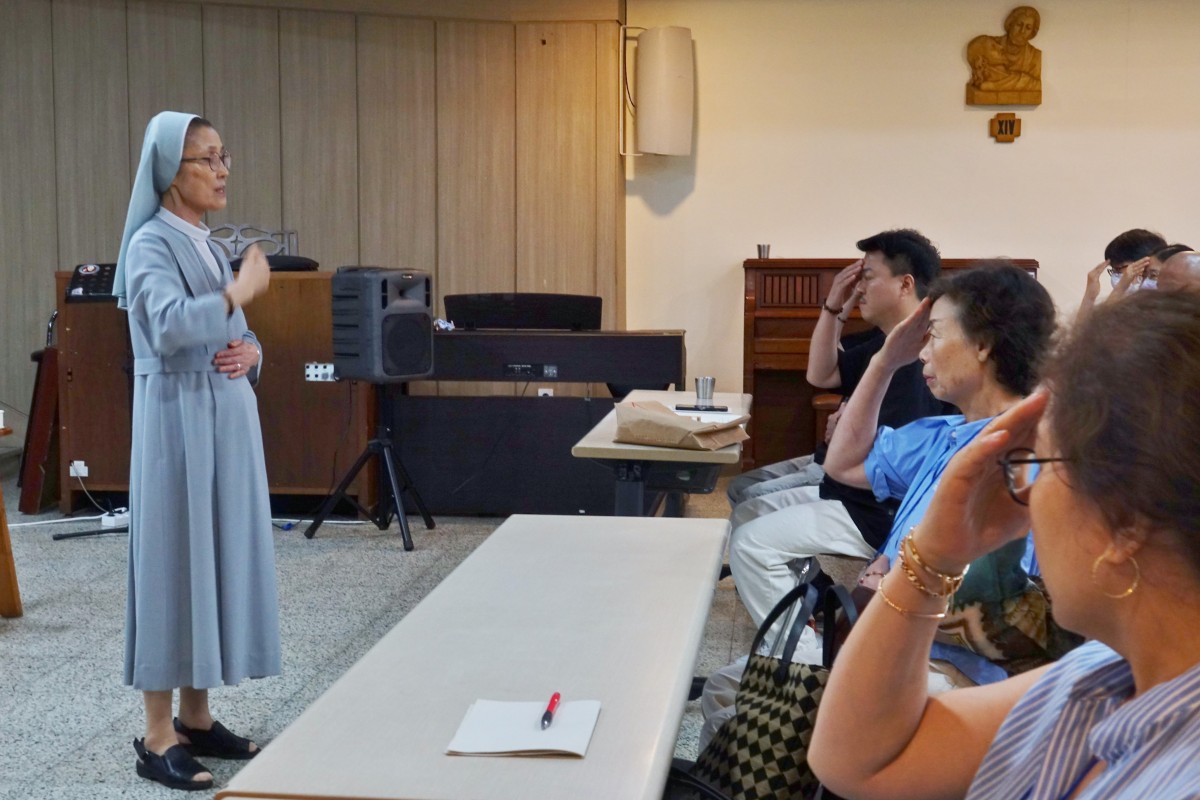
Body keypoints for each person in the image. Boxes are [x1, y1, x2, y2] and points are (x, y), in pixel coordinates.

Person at [810, 290, 1200, 799]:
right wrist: (930, 561)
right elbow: (853, 763)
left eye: (1042, 461)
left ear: (1125, 524)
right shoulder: (1102, 674)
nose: (1029, 493)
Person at [115, 111, 279, 791]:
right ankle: (158, 735)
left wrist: (253, 350)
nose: (221, 170)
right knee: (171, 565)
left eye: (223, 156)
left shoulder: (206, 243)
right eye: (205, 159)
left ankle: (198, 716)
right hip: (177, 426)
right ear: (168, 172)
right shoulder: (150, 244)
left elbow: (235, 332)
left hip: (222, 429)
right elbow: (166, 325)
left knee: (209, 562)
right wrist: (237, 291)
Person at [823, 263, 1062, 684]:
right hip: (894, 647)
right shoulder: (946, 434)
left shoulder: (1023, 460)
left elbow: (1000, 614)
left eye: (933, 335)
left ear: (982, 344)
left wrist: (889, 590)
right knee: (736, 685)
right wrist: (882, 364)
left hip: (952, 678)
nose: (921, 353)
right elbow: (841, 465)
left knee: (745, 694)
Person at [728, 230, 948, 636]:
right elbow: (821, 375)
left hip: (873, 507)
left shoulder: (922, 353)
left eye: (868, 276)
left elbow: (898, 459)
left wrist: (845, 433)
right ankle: (818, 603)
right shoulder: (888, 342)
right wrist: (834, 307)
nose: (860, 287)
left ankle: (808, 657)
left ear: (905, 284)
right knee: (747, 512)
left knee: (750, 539)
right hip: (848, 489)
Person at [1078, 228, 1167, 318]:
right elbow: (1084, 327)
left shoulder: (1161, 305)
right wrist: (1089, 296)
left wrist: (1120, 288)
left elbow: (1104, 322)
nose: (1115, 276)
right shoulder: (1124, 301)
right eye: (1113, 270)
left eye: (1118, 269)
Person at [966, 6, 1042, 97]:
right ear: (1010, 24)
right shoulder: (989, 44)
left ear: (1032, 33)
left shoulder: (1035, 56)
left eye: (1028, 28)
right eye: (1019, 25)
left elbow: (1036, 85)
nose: (1022, 31)